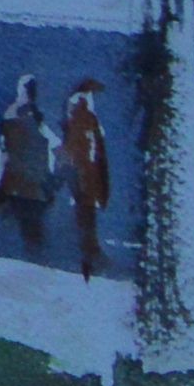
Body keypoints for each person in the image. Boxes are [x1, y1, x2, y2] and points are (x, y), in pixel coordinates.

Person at [0, 74, 57, 258]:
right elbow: (8, 148)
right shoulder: (20, 115)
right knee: (25, 225)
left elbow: (8, 149)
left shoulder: (28, 115)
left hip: (25, 182)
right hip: (23, 182)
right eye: (28, 90)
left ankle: (29, 258)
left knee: (27, 225)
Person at [60, 77, 116, 282]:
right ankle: (87, 255)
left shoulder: (87, 119)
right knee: (85, 213)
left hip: (89, 175)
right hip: (84, 175)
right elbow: (78, 150)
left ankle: (90, 253)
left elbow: (95, 149)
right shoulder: (79, 117)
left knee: (87, 213)